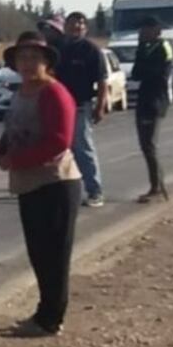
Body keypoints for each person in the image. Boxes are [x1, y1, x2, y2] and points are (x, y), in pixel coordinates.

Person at [0, 31, 81, 336]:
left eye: (33, 58)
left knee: (54, 255)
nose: (27, 64)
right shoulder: (22, 91)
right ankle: (44, 311)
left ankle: (51, 318)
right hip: (29, 184)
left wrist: (15, 160)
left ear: (46, 63)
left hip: (55, 182)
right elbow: (13, 128)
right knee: (38, 253)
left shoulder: (54, 93)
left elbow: (58, 141)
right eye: (21, 58)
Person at [56, 12, 109, 208]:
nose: (76, 26)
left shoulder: (91, 50)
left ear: (85, 28)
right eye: (72, 23)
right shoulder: (58, 49)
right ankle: (64, 190)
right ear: (65, 26)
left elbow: (102, 81)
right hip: (58, 108)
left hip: (80, 106)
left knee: (83, 149)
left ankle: (95, 191)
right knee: (60, 150)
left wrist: (100, 106)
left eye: (80, 23)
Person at [131, 16, 173, 204]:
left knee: (149, 145)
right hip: (144, 99)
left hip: (155, 99)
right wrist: (141, 48)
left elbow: (156, 72)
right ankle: (157, 184)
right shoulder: (145, 48)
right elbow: (136, 74)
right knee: (145, 144)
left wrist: (144, 66)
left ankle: (157, 187)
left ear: (156, 30)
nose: (142, 33)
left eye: (145, 29)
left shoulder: (163, 47)